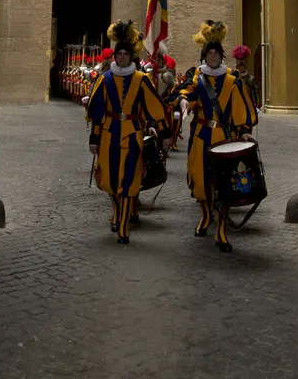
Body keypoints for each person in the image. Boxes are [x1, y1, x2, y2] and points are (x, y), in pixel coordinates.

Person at [173, 20, 257, 253]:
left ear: (221, 56)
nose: (212, 56)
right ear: (204, 56)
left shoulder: (232, 79)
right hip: (200, 135)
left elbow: (241, 109)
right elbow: (185, 91)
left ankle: (221, 231)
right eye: (208, 53)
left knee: (224, 184)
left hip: (223, 136)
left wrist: (243, 131)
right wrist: (183, 101)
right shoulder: (196, 76)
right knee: (201, 181)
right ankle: (205, 216)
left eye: (215, 53)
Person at [86, 20, 172, 244]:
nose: (122, 57)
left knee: (128, 179)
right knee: (109, 181)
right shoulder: (104, 80)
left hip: (133, 135)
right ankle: (117, 211)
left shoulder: (141, 80)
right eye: (119, 54)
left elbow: (154, 107)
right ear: (115, 57)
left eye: (125, 53)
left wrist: (163, 133)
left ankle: (123, 224)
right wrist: (94, 139)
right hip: (108, 135)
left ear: (130, 57)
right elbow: (97, 112)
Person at [231, 45, 261, 117]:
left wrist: (256, 107)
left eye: (243, 59)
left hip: (248, 110)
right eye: (239, 59)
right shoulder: (231, 77)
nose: (241, 62)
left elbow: (256, 95)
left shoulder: (251, 79)